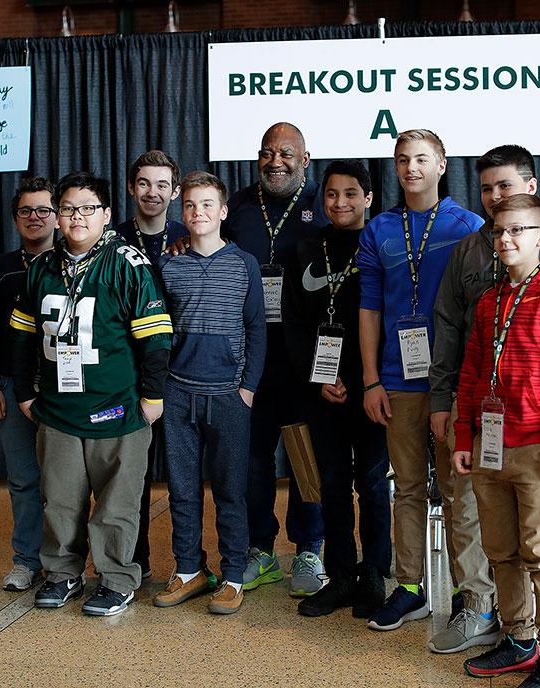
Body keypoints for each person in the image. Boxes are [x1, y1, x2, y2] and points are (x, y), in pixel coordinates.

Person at [427, 144, 540, 653]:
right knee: (482, 528)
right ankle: (492, 617)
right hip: (484, 428)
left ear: (531, 190)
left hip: (537, 431)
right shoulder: (472, 260)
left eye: (504, 187)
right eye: (486, 189)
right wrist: (447, 410)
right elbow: (450, 337)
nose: (494, 199)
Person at [9, 172, 172, 617]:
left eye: (87, 208)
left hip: (118, 409)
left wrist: (152, 399)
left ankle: (117, 580)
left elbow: (156, 338)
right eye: (67, 209)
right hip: (58, 411)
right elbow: (21, 337)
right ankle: (62, 574)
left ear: (106, 214)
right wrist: (25, 394)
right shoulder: (41, 267)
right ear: (58, 216)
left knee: (117, 506)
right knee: (59, 501)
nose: (76, 217)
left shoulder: (128, 264)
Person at [452, 193, 540, 688]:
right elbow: (471, 374)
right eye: (498, 231)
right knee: (500, 550)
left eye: (517, 230)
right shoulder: (490, 299)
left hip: (536, 448)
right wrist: (463, 434)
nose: (506, 238)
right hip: (489, 446)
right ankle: (520, 637)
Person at [357, 128, 484, 631]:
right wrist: (370, 379)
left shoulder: (469, 226)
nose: (412, 168)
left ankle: (468, 592)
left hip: (451, 383)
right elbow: (369, 307)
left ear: (442, 164)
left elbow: (479, 316)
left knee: (460, 491)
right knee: (406, 488)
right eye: (403, 159)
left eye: (422, 159)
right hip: (397, 380)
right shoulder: (379, 230)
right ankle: (408, 587)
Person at [221, 121, 329, 597]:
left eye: (285, 153)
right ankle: (260, 550)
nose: (275, 161)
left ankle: (309, 547)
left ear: (305, 160)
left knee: (307, 455)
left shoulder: (326, 204)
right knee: (253, 459)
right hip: (251, 357)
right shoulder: (239, 207)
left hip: (305, 357)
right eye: (267, 153)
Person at [153, 171, 266, 614]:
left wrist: (248, 388)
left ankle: (234, 573)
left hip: (228, 396)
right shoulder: (169, 263)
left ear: (222, 212)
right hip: (179, 391)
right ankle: (188, 570)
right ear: (183, 214)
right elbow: (157, 330)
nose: (198, 213)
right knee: (181, 489)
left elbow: (256, 329)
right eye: (190, 206)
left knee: (230, 490)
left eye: (207, 205)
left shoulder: (244, 265)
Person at [282, 160, 390, 619]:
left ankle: (375, 575)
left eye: (350, 194)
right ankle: (340, 575)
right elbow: (292, 321)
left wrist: (372, 379)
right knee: (331, 483)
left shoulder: (383, 244)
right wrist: (318, 375)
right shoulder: (306, 248)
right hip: (321, 386)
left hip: (371, 388)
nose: (340, 202)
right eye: (331, 194)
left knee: (371, 484)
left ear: (367, 198)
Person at [114, 149, 188, 577]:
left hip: (180, 372)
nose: (153, 192)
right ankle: (132, 563)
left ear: (176, 191)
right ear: (130, 188)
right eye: (144, 183)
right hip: (129, 372)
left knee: (182, 476)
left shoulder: (190, 234)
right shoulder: (113, 239)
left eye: (162, 185)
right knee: (131, 478)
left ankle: (188, 567)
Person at [0, 176, 57, 592]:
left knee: (66, 481)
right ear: (14, 219)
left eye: (44, 210)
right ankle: (27, 561)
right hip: (11, 387)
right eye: (26, 211)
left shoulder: (72, 264)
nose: (35, 217)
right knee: (23, 479)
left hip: (62, 387)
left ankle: (66, 562)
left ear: (59, 216)